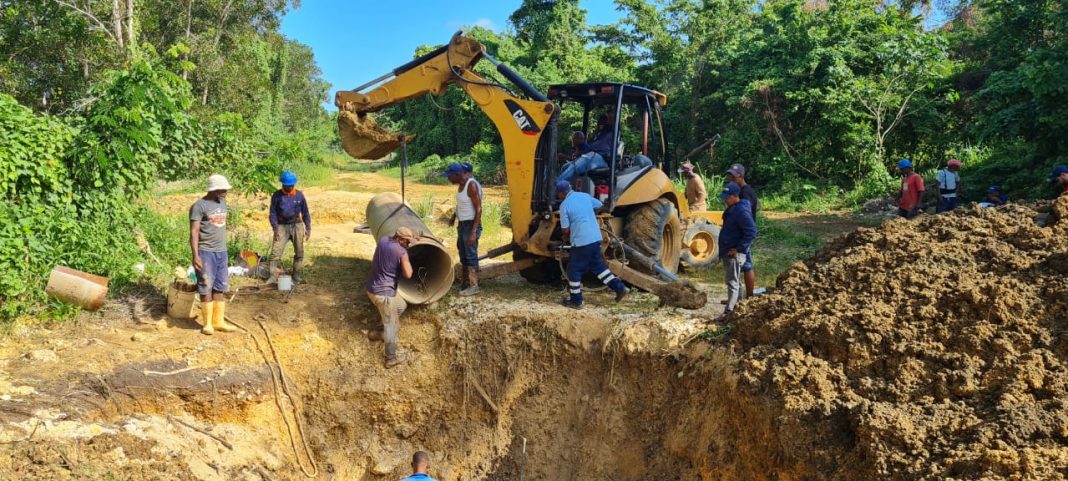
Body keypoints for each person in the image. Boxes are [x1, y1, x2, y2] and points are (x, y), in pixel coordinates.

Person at [556, 181, 627, 309]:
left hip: (581, 241)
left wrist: (566, 236)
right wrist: (590, 214)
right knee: (598, 267)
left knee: (574, 270)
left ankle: (576, 301)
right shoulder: (584, 196)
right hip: (596, 238)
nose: (558, 196)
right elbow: (600, 205)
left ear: (562, 193)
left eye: (558, 194)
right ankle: (620, 287)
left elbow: (565, 230)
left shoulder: (564, 205)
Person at [189, 174, 238, 335]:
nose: (225, 192)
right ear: (213, 190)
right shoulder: (199, 206)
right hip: (205, 252)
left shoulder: (222, 202)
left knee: (220, 287)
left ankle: (218, 321)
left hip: (221, 251)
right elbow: (194, 232)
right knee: (206, 286)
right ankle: (207, 324)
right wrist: (196, 255)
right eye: (222, 189)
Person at [366, 227, 417, 369]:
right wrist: (405, 257)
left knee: (401, 305)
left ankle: (378, 333)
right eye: (407, 242)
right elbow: (408, 274)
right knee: (392, 325)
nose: (408, 245)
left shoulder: (383, 241)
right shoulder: (401, 252)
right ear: (400, 240)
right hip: (384, 294)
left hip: (372, 288)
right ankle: (390, 358)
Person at [715, 182, 757, 321]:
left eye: (727, 198)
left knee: (732, 282)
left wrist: (739, 249)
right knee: (736, 282)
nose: (725, 200)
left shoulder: (741, 211)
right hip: (729, 250)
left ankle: (729, 312)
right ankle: (738, 308)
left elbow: (751, 232)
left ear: (735, 196)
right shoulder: (734, 209)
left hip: (734, 253)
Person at [444, 163, 483, 296]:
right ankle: (466, 282)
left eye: (449, 176)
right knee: (463, 253)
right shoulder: (460, 186)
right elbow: (461, 203)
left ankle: (474, 285)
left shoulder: (471, 185)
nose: (448, 179)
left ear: (456, 175)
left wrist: (473, 231)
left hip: (470, 224)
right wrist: (454, 216)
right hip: (462, 224)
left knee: (470, 254)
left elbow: (478, 208)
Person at [267, 171, 311, 284]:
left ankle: (296, 275)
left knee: (299, 252)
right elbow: (272, 214)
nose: (290, 187)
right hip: (282, 227)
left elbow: (306, 213)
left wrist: (308, 229)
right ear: (283, 184)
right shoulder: (277, 196)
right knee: (275, 253)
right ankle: (272, 276)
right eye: (287, 185)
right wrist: (275, 228)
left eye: (291, 185)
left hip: (297, 225)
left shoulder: (299, 195)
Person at [725, 163, 759, 297]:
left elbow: (745, 218)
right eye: (730, 177)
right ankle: (737, 297)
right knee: (738, 266)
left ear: (740, 176)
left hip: (743, 235)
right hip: (739, 234)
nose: (730, 179)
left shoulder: (746, 193)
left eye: (733, 177)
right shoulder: (739, 192)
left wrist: (741, 241)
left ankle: (749, 296)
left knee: (746, 265)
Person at [558, 114, 614, 183]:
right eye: (599, 122)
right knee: (565, 167)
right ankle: (566, 189)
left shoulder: (610, 133)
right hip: (593, 156)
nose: (600, 123)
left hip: (601, 158)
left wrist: (610, 111)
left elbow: (612, 122)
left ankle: (556, 188)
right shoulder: (597, 136)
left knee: (576, 167)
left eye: (604, 122)